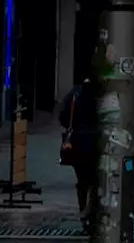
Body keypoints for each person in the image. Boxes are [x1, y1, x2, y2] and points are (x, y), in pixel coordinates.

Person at [59, 81, 98, 232]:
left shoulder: (74, 94)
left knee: (82, 180)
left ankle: (84, 212)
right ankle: (90, 212)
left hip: (77, 142)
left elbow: (63, 118)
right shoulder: (101, 94)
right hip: (97, 141)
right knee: (96, 180)